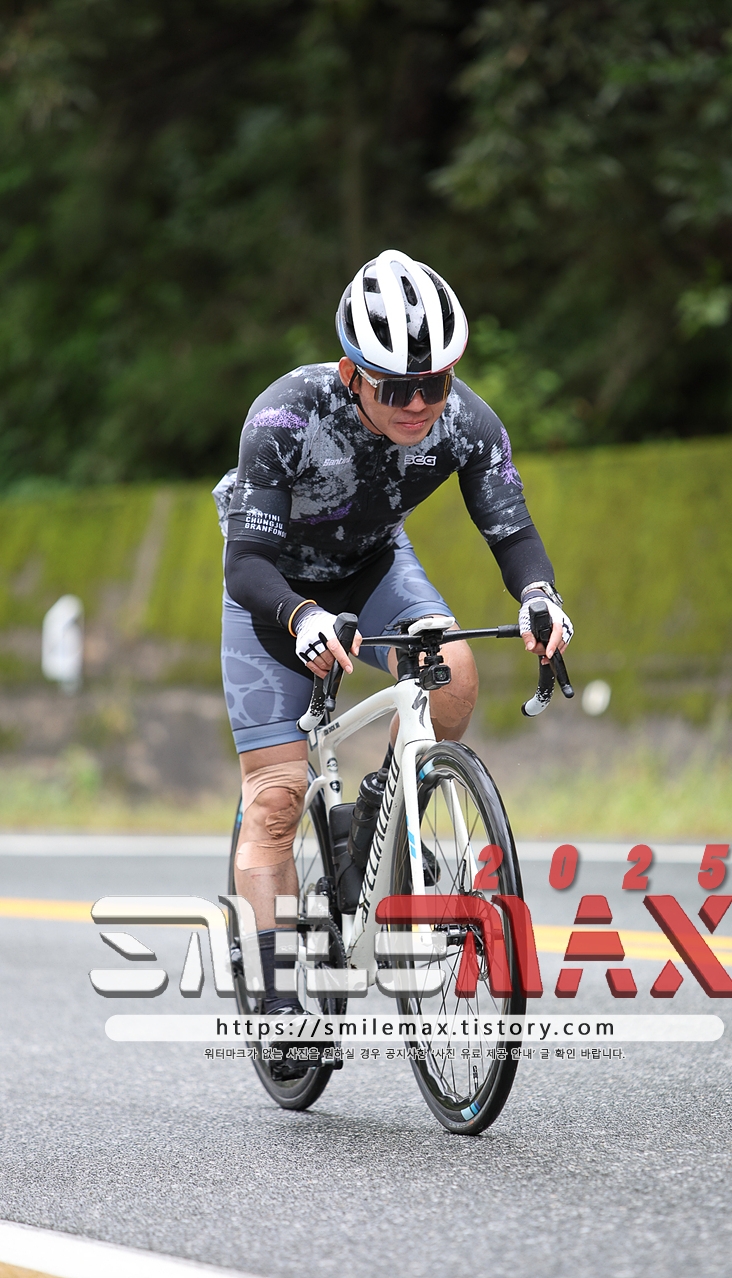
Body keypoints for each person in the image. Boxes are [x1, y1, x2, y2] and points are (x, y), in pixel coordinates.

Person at [212, 248, 572, 1070]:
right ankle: (277, 1001)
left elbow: (511, 530)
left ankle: (384, 810)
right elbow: (246, 566)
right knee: (276, 798)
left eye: (433, 384)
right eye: (395, 388)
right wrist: (301, 616)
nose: (417, 405)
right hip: (274, 589)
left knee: (454, 672)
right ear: (351, 373)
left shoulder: (466, 421)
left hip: (373, 569)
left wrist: (538, 595)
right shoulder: (284, 416)